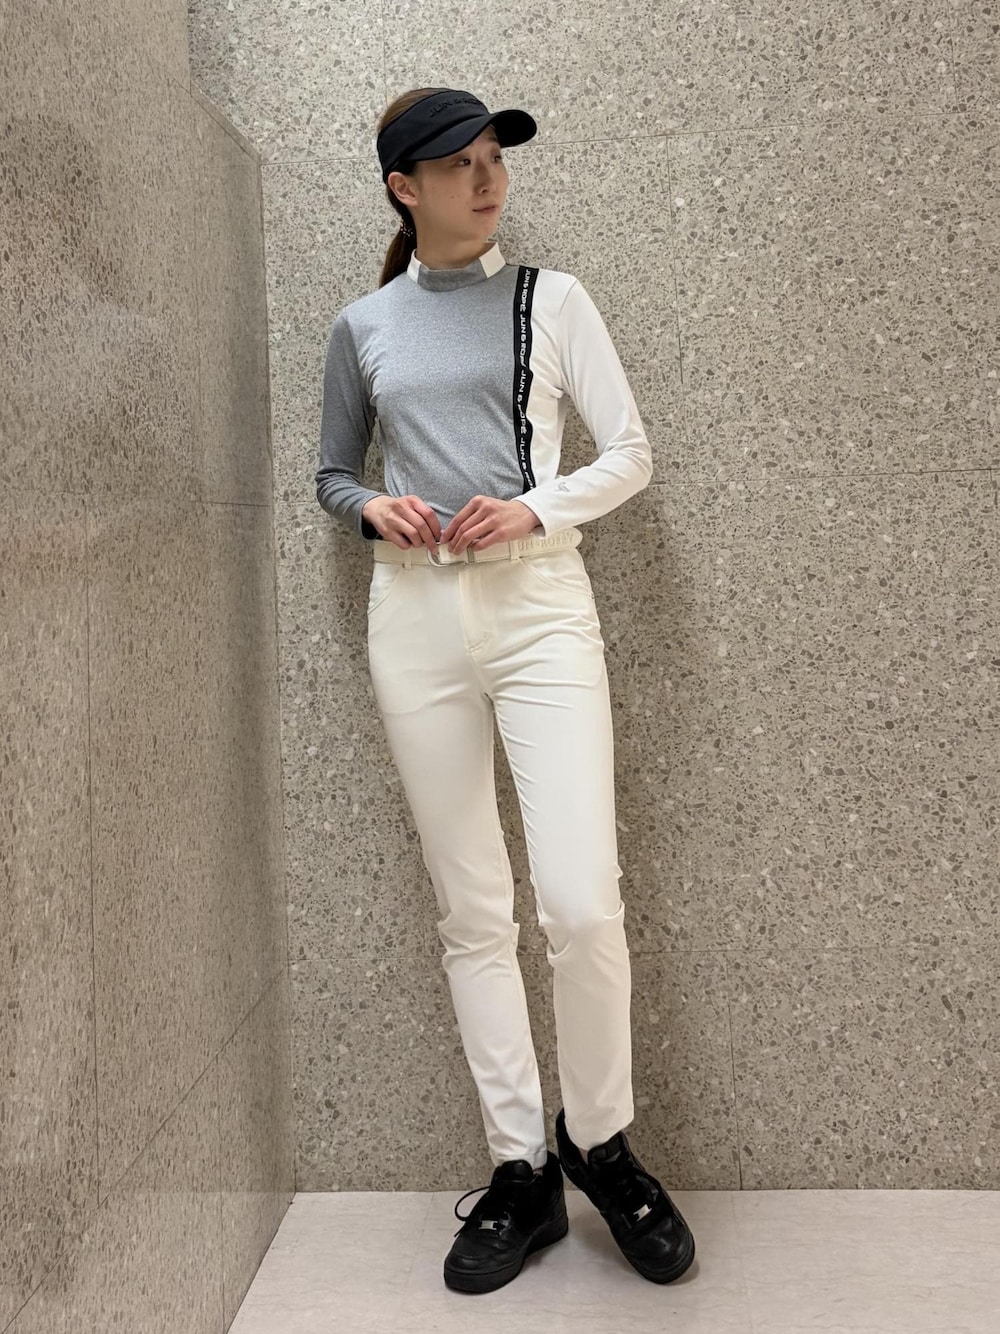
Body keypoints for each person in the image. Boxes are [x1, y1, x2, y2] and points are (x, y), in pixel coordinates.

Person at [315, 85, 696, 1295]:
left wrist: (532, 507)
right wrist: (370, 506)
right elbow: (331, 473)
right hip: (413, 618)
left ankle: (602, 1141)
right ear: (403, 188)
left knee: (580, 901)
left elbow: (629, 453)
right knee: (472, 906)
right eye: (457, 164)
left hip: (539, 609)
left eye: (493, 159)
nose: (486, 181)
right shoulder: (362, 326)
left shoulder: (554, 300)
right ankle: (520, 1168)